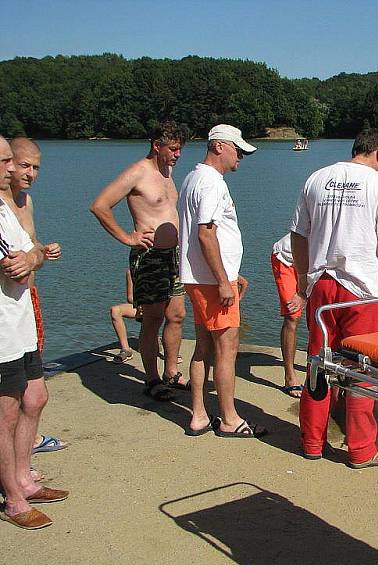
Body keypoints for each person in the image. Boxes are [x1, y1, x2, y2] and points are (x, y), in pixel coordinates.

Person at [290, 128, 378, 468]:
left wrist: (303, 279)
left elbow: (298, 235)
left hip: (322, 284)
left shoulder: (317, 178)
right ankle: (361, 449)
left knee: (317, 364)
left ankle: (312, 442)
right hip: (363, 289)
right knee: (361, 369)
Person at [90, 121, 188, 401]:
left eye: (180, 149)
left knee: (177, 315)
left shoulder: (167, 172)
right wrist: (127, 237)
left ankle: (172, 372)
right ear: (156, 145)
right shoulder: (137, 173)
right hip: (150, 257)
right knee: (153, 318)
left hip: (174, 256)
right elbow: (100, 205)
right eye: (173, 149)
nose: (177, 154)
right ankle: (152, 378)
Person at [178, 124, 264, 438]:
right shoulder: (212, 182)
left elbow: (201, 234)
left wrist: (228, 271)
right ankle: (229, 419)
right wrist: (223, 281)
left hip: (199, 278)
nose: (241, 156)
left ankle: (199, 415)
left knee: (203, 346)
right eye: (237, 149)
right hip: (212, 283)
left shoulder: (192, 177)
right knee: (227, 349)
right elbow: (205, 232)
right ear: (218, 147)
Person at [0, 136, 69, 530]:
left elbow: (29, 256)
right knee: (6, 412)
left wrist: (34, 255)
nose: (16, 170)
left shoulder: (10, 208)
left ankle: (24, 478)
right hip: (4, 327)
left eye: (22, 164)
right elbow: (15, 264)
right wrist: (30, 257)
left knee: (36, 396)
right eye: (9, 162)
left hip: (21, 317)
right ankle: (12, 497)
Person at [270, 233, 304, 398]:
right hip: (286, 259)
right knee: (293, 315)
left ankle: (317, 368)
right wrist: (302, 293)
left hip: (309, 263)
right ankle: (290, 376)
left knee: (320, 314)